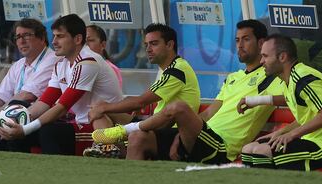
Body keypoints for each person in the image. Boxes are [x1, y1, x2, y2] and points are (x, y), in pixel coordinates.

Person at [92, 20, 282, 163]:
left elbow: (301, 101)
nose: (239, 45)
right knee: (139, 138)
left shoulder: (274, 78)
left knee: (179, 107)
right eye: (237, 40)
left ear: (261, 43)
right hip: (199, 136)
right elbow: (207, 114)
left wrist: (258, 101)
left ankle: (119, 134)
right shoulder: (234, 77)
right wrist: (179, 135)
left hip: (222, 146)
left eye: (246, 39)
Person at [0, 14, 123, 155]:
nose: (54, 41)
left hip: (101, 127)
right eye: (54, 36)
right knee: (21, 120)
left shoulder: (88, 61)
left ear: (78, 39)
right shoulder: (61, 64)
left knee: (47, 131)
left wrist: (25, 129)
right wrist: (15, 122)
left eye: (60, 36)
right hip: (80, 124)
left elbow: (63, 106)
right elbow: (45, 102)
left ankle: (56, 173)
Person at [86, 23, 200, 159]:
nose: (148, 49)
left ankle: (113, 149)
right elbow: (143, 102)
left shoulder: (177, 70)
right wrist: (102, 107)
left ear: (169, 45)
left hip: (171, 130)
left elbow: (140, 102)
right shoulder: (168, 69)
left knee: (105, 111)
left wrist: (104, 107)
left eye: (154, 44)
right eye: (146, 45)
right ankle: (109, 148)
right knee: (99, 110)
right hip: (156, 124)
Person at [240, 34, 322, 171]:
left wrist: (291, 135)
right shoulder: (286, 79)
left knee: (262, 152)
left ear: (282, 57)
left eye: (265, 56)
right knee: (248, 149)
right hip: (308, 141)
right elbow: (305, 117)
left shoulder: (302, 78)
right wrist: (279, 133)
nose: (261, 61)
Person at [0, 18, 57, 151]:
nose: (21, 41)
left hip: (39, 120)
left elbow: (25, 96)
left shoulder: (52, 60)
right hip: (14, 118)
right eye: (18, 37)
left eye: (27, 35)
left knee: (2, 122)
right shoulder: (18, 65)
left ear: (42, 38)